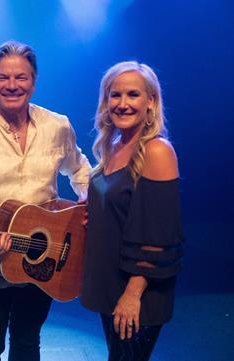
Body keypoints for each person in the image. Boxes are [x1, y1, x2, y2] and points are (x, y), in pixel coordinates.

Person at [0, 40, 92, 361]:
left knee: (28, 343)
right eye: (3, 78)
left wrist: (87, 206)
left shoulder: (58, 126)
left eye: (21, 77)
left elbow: (81, 170)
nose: (12, 86)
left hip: (45, 259)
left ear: (34, 81)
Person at [80, 61, 184, 360]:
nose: (122, 104)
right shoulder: (113, 144)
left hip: (138, 291)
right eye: (115, 95)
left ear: (151, 101)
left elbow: (161, 235)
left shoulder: (157, 151)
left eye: (133, 95)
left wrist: (133, 293)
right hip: (110, 282)